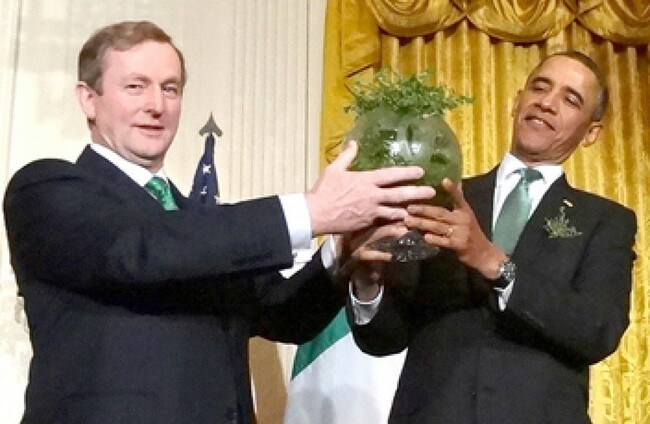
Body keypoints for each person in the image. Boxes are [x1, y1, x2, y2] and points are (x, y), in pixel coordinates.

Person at [2, 21, 435, 424]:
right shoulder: (45, 189)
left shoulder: (201, 223)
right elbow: (140, 251)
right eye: (135, 86)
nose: (156, 105)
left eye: (170, 89)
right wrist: (312, 210)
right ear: (88, 98)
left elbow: (283, 315)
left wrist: (341, 249)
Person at [346, 51, 637, 423]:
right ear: (517, 101)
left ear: (592, 132)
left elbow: (597, 330)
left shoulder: (605, 221)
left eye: (570, 99)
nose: (547, 103)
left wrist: (496, 265)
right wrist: (367, 280)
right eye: (540, 87)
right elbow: (384, 337)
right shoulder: (442, 197)